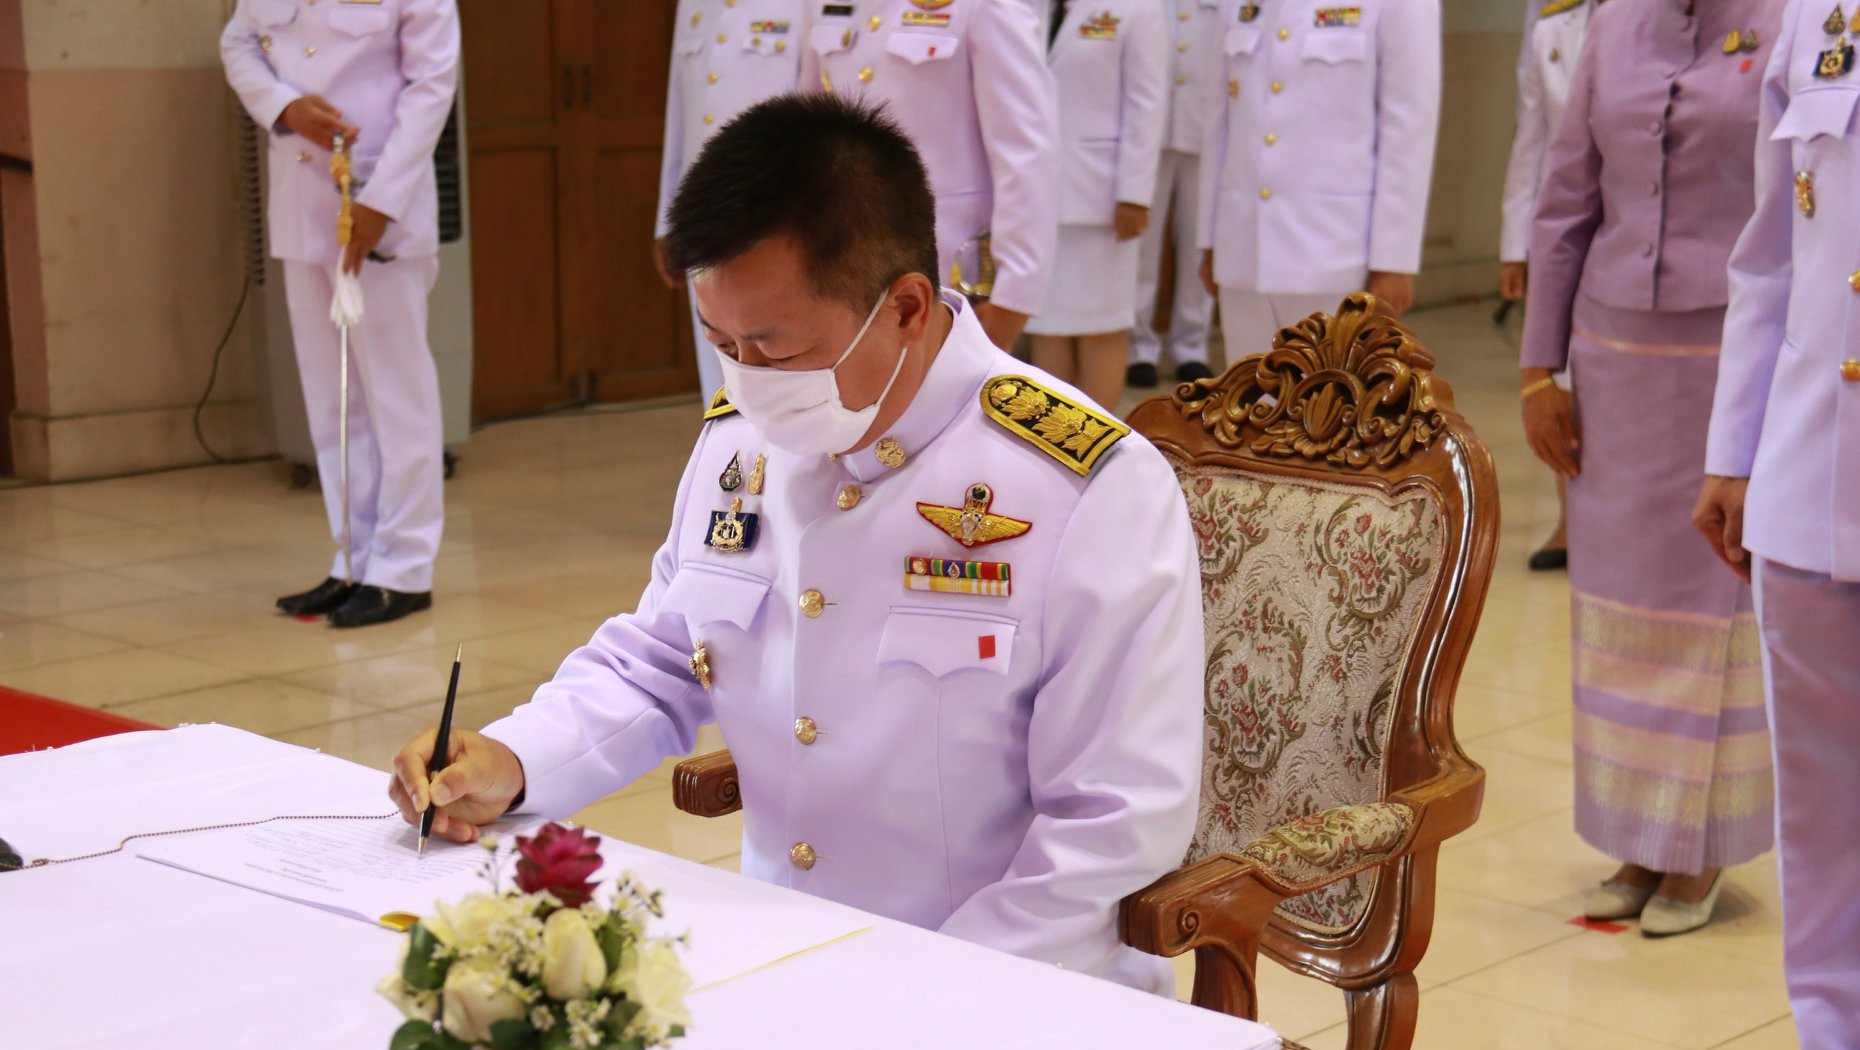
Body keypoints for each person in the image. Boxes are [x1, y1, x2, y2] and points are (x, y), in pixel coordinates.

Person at [388, 95, 1204, 996]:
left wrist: (930, 991)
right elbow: (659, 660)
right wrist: (510, 760)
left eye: (774, 349)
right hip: (786, 968)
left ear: (904, 307)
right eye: (720, 342)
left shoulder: (1081, 485)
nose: (745, 378)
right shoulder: (741, 443)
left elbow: (1112, 824)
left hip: (1015, 995)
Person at [1520, 0, 1778, 936]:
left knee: (1713, 598)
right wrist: (1538, 367)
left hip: (1738, 359)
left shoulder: (1796, 19)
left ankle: (1701, 843)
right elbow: (1565, 202)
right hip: (1613, 359)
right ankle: (1637, 836)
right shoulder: (1613, 23)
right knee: (1622, 607)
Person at [1697, 0, 1860, 1050]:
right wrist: (1733, 450)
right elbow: (1768, 253)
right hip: (1812, 481)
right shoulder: (1820, 12)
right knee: (1826, 817)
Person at [221, 0, 459, 628]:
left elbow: (431, 87)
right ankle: (352, 556)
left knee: (395, 393)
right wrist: (282, 107)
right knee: (333, 399)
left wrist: (384, 201)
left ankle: (404, 568)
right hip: (303, 204)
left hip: (380, 200)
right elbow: (238, 43)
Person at [798, 1, 1060, 352]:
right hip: (841, 255)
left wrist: (1015, 293)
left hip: (947, 267)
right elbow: (807, 129)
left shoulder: (984, 7)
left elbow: (1025, 154)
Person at [1196, 0, 1440, 349]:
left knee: (1328, 400)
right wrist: (1210, 240)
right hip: (1244, 247)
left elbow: (1408, 129)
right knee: (1249, 397)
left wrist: (1393, 261)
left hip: (1334, 253)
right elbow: (1218, 120)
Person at [655, 1, 804, 402]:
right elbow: (680, 107)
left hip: (774, 216)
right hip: (702, 214)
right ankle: (725, 460)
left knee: (775, 362)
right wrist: (667, 219)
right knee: (716, 362)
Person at [1026, 0, 1168, 410]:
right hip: (1036, 193)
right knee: (1047, 324)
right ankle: (1052, 438)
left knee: (1101, 325)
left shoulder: (1136, 9)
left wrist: (1134, 194)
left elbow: (1146, 103)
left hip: (1103, 197)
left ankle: (1099, 442)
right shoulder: (1028, 6)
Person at [1499, 0, 1594, 573]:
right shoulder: (1554, 25)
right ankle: (1569, 519)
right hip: (1562, 231)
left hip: (1630, 227)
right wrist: (1515, 245)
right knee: (1558, 379)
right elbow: (1530, 142)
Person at [1127, 0, 1224, 389]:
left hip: (1205, 129)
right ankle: (1139, 348)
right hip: (1150, 130)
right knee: (1142, 248)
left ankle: (1192, 347)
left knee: (1201, 244)